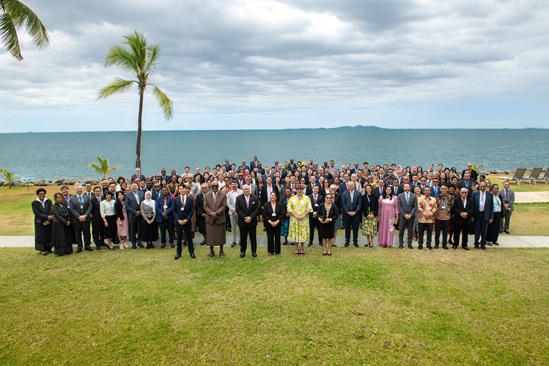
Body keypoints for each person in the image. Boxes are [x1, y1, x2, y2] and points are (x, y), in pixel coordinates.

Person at [235, 184, 261, 258]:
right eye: (245, 189)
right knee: (243, 238)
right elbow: (238, 209)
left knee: (253, 237)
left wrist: (250, 217)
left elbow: (257, 209)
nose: (246, 190)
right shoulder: (238, 198)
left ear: (249, 189)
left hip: (252, 221)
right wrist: (245, 218)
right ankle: (243, 251)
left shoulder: (255, 197)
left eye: (247, 189)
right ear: (242, 190)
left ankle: (254, 251)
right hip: (243, 222)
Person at [203, 181, 228, 258]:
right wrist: (211, 213)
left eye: (216, 186)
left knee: (221, 236)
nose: (214, 187)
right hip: (210, 219)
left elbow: (224, 206)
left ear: (218, 186)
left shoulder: (223, 195)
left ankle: (221, 251)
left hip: (220, 218)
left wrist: (216, 213)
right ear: (211, 187)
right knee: (210, 236)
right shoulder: (207, 195)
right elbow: (205, 206)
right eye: (213, 186)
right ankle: (211, 251)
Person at [288, 184, 313, 255]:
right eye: (298, 189)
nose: (299, 191)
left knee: (303, 233)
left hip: (304, 219)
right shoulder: (292, 198)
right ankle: (296, 248)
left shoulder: (307, 198)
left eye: (301, 189)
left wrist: (303, 215)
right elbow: (289, 208)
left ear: (302, 190)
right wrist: (295, 215)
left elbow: (309, 208)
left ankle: (302, 248)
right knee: (295, 233)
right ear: (296, 190)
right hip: (294, 219)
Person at [68, 184, 93, 253]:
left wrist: (85, 215)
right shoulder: (72, 198)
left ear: (82, 189)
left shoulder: (87, 197)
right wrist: (78, 216)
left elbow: (90, 206)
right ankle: (79, 246)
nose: (79, 190)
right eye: (77, 189)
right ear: (75, 190)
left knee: (87, 232)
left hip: (85, 218)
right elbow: (71, 209)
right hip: (77, 219)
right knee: (78, 233)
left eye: (80, 189)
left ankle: (87, 245)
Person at [173, 185, 196, 259]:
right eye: (181, 189)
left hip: (187, 221)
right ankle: (178, 253)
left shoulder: (190, 200)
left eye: (183, 189)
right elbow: (174, 211)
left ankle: (191, 252)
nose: (182, 190)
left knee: (189, 238)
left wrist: (187, 219)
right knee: (179, 238)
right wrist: (178, 219)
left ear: (186, 190)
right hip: (178, 222)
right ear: (179, 190)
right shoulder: (175, 199)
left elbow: (191, 211)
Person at [50, 192, 73, 256]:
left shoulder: (63, 204)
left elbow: (67, 213)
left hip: (66, 224)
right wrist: (65, 222)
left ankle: (67, 250)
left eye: (61, 197)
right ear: (55, 198)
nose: (60, 199)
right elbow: (57, 216)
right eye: (58, 198)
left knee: (67, 237)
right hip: (58, 224)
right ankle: (61, 251)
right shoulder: (54, 206)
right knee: (61, 238)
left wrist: (68, 220)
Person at [473, 181, 494, 250]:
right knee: (477, 230)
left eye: (483, 187)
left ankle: (483, 244)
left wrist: (491, 217)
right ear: (479, 186)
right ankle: (476, 243)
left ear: (486, 186)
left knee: (484, 230)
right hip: (477, 214)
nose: (482, 188)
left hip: (485, 214)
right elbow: (472, 205)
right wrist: (472, 216)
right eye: (481, 187)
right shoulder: (475, 193)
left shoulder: (490, 194)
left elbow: (491, 206)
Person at [32, 188, 53, 255]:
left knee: (48, 234)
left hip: (49, 221)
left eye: (43, 194)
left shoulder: (48, 201)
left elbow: (51, 210)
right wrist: (46, 217)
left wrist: (49, 218)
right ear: (38, 195)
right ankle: (42, 249)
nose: (42, 195)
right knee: (41, 236)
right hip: (40, 222)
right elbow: (37, 213)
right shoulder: (34, 203)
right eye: (40, 194)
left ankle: (49, 248)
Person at [341, 181, 362, 247]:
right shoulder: (344, 193)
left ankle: (355, 241)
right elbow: (343, 204)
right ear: (347, 186)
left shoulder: (358, 194)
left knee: (355, 228)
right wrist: (348, 212)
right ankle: (347, 241)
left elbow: (359, 204)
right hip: (347, 214)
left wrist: (355, 212)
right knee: (347, 228)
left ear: (354, 186)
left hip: (356, 214)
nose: (351, 186)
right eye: (349, 185)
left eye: (352, 185)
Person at [125, 182, 145, 249]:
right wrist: (135, 212)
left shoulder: (141, 193)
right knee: (132, 230)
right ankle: (133, 243)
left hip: (140, 214)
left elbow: (144, 203)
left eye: (135, 186)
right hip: (132, 215)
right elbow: (127, 206)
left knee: (140, 229)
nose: (134, 187)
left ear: (138, 186)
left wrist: (140, 211)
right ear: (131, 187)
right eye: (133, 186)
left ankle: (139, 242)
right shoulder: (128, 195)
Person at [397, 183, 417, 249]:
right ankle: (401, 243)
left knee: (410, 230)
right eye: (405, 187)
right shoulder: (400, 196)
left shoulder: (414, 196)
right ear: (403, 188)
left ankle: (409, 243)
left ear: (410, 187)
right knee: (401, 230)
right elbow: (399, 206)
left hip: (411, 216)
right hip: (403, 216)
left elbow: (415, 206)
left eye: (408, 187)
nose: (407, 188)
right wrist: (404, 214)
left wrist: (411, 214)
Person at [434, 184, 453, 249]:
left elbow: (451, 206)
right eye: (442, 189)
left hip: (446, 217)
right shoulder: (437, 197)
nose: (443, 190)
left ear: (447, 189)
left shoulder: (451, 197)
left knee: (445, 231)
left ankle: (444, 244)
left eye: (445, 188)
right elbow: (435, 206)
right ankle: (436, 244)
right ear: (440, 189)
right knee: (437, 231)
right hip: (438, 216)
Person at [226, 180, 242, 248]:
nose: (234, 185)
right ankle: (234, 241)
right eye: (232, 184)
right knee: (233, 227)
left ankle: (240, 240)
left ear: (237, 185)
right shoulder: (229, 193)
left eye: (235, 184)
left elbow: (242, 202)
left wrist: (237, 210)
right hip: (232, 212)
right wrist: (233, 209)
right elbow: (228, 203)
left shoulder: (241, 192)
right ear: (231, 185)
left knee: (240, 227)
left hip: (240, 212)